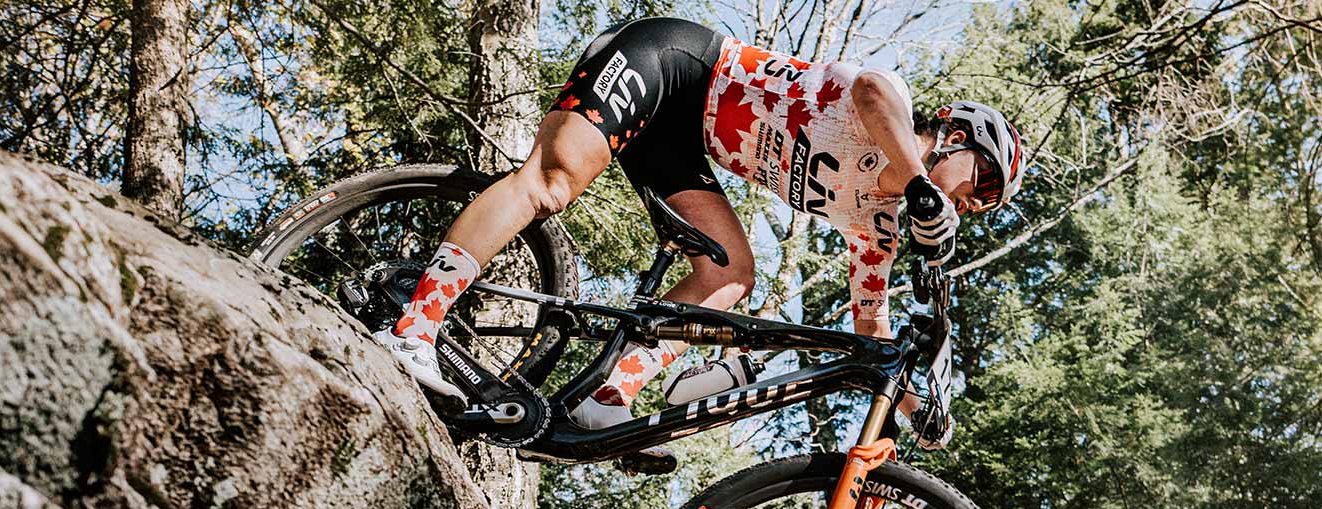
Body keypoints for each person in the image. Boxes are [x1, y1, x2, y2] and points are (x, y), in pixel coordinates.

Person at [373, 17, 1024, 443]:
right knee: (549, 184)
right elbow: (872, 100)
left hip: (683, 142)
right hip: (674, 64)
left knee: (730, 273)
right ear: (957, 136)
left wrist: (918, 409)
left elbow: (871, 329)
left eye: (985, 204)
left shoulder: (877, 225)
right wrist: (918, 184)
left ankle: (606, 397)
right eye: (983, 182)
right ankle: (415, 326)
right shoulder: (892, 105)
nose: (974, 203)